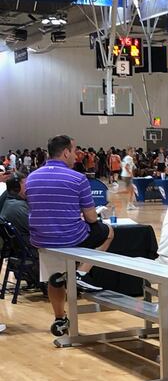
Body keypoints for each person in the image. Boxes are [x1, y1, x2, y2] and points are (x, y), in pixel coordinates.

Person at [26, 135, 112, 337]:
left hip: (41, 238)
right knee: (107, 232)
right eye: (74, 151)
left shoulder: (32, 177)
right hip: (70, 237)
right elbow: (91, 217)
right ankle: (79, 274)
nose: (76, 156)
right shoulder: (77, 178)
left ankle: (59, 318)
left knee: (53, 278)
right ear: (65, 152)